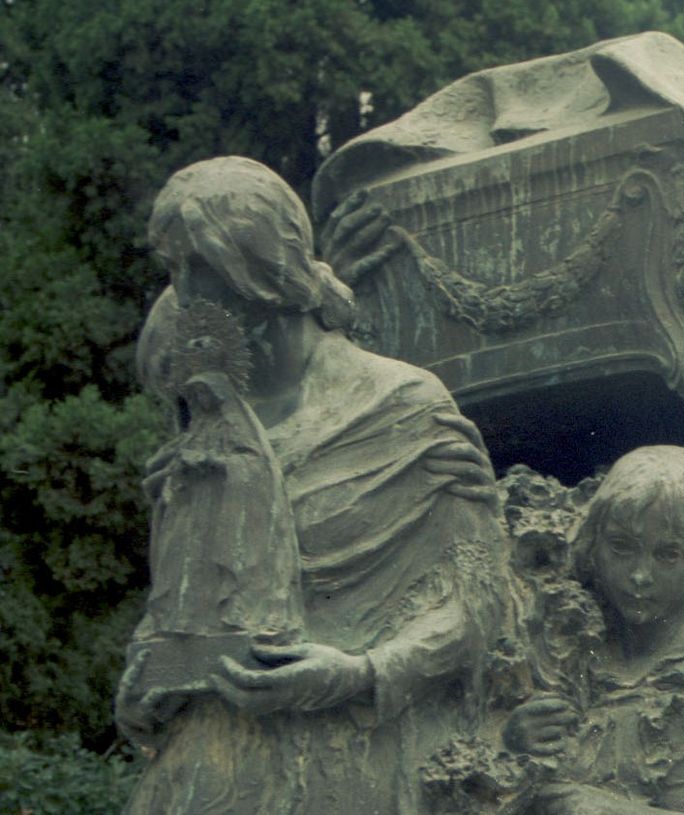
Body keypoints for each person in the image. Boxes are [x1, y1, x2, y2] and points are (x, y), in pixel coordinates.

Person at [116, 156, 514, 814]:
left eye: (198, 265)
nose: (183, 293)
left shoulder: (405, 406)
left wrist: (360, 673)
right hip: (206, 774)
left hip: (353, 760)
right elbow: (180, 612)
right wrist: (143, 678)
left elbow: (475, 606)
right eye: (172, 269)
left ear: (263, 267)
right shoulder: (204, 429)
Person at [504, 446, 684, 815]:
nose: (640, 575)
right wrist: (513, 743)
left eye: (668, 554)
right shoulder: (566, 652)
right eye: (621, 547)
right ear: (594, 545)